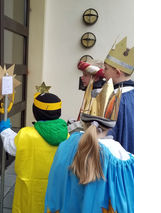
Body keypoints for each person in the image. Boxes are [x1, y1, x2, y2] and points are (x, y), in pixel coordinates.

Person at [44, 78, 134, 213]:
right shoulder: (119, 156)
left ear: (83, 121)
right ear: (111, 125)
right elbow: (124, 202)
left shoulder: (66, 145)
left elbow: (56, 186)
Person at [0, 83, 69, 213]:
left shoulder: (26, 134)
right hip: (55, 193)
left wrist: (5, 130)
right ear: (58, 112)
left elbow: (11, 145)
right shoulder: (69, 137)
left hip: (29, 192)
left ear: (35, 112)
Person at [103, 37, 134, 154]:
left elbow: (105, 139)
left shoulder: (112, 99)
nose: (103, 72)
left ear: (117, 72)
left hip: (118, 163)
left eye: (106, 69)